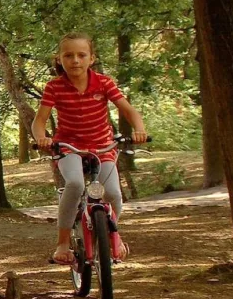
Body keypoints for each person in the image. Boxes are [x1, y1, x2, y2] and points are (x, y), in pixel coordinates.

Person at [31, 33, 149, 264]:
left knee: (113, 193)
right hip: (69, 146)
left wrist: (139, 129)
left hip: (103, 147)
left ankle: (113, 234)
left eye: (81, 55)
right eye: (68, 55)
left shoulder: (103, 83)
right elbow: (40, 120)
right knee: (74, 184)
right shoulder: (54, 87)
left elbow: (129, 110)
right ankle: (63, 243)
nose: (75, 60)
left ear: (91, 58)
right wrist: (41, 138)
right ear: (59, 59)